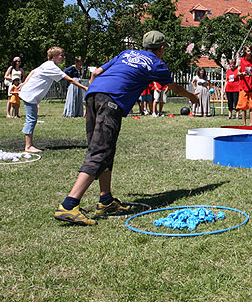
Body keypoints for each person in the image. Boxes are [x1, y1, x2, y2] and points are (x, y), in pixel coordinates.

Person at [54, 31, 199, 226]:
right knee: (100, 151)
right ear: (161, 49)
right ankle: (69, 204)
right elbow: (173, 87)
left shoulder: (127, 53)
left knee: (105, 149)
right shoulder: (156, 64)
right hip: (111, 101)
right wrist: (191, 97)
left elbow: (96, 72)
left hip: (93, 95)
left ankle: (105, 200)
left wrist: (94, 95)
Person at [19, 46, 88, 153]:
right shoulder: (51, 67)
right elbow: (69, 79)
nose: (63, 58)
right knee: (31, 119)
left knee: (32, 118)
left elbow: (33, 71)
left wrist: (24, 83)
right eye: (61, 55)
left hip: (30, 94)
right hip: (30, 95)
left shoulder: (47, 64)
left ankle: (29, 145)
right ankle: (28, 146)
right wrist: (85, 88)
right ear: (54, 56)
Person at [237, 45, 252, 126]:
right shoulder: (240, 61)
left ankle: (251, 124)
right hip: (243, 87)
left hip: (251, 86)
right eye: (248, 51)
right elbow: (238, 73)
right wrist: (243, 73)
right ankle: (244, 124)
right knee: (243, 107)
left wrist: (251, 75)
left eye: (251, 51)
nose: (250, 52)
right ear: (245, 52)